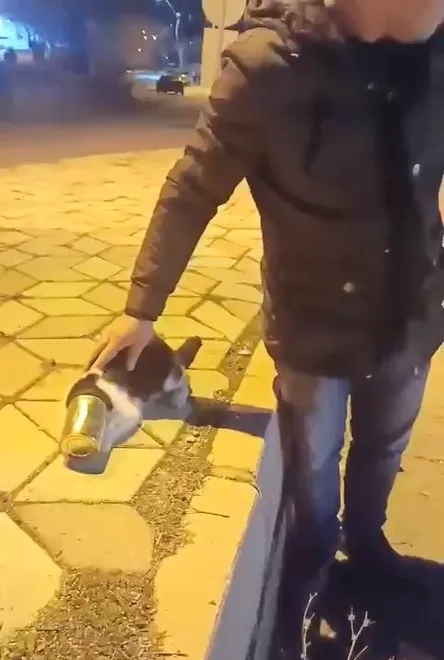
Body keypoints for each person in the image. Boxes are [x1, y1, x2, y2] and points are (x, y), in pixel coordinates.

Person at [89, 0, 444, 592]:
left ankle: (367, 544)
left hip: (413, 311)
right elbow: (192, 188)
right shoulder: (269, 68)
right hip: (314, 320)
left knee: (384, 445)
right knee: (314, 459)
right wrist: (141, 309)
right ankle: (315, 561)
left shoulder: (432, 53)